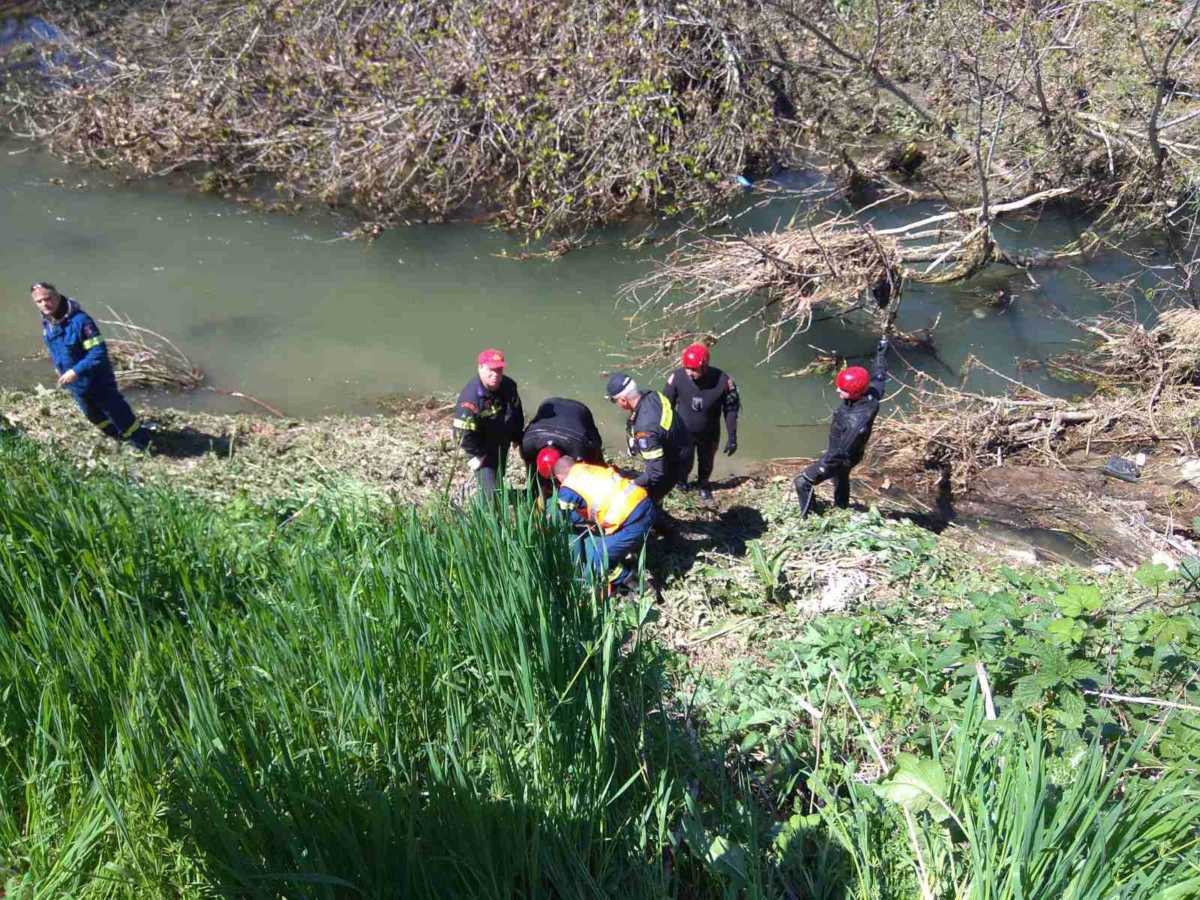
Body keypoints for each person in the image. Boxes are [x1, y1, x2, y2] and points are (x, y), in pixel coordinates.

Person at [31, 282, 150, 451]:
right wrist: (60, 368)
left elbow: (98, 353)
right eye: (39, 301)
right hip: (76, 384)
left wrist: (75, 370)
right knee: (92, 415)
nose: (44, 304)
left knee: (118, 413)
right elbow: (55, 348)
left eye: (48, 298)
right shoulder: (48, 322)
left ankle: (142, 444)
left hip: (97, 379)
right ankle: (117, 436)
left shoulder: (82, 322)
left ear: (57, 296)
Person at [537, 448, 655, 594]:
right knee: (608, 549)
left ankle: (634, 583)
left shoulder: (568, 487)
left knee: (600, 557)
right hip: (643, 500)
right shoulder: (588, 468)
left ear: (560, 476)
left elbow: (560, 518)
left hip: (632, 520)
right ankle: (627, 563)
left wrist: (542, 525)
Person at [795, 337, 889, 517]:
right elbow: (879, 375)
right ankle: (841, 507)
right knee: (841, 478)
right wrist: (881, 351)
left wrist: (821, 467)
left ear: (854, 392)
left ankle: (807, 517)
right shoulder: (871, 397)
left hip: (842, 457)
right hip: (854, 455)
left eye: (842, 389)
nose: (838, 390)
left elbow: (839, 452)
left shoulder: (855, 421)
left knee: (802, 482)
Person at [663, 342, 740, 500]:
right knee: (684, 460)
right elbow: (665, 405)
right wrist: (663, 430)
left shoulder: (723, 381)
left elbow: (731, 410)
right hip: (683, 430)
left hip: (709, 432)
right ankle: (682, 483)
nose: (690, 373)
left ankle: (703, 485)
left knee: (706, 462)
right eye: (687, 368)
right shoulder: (677, 378)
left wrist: (732, 437)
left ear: (704, 366)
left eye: (694, 369)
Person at [604, 372, 691, 503]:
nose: (615, 403)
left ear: (623, 400)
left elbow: (656, 473)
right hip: (683, 444)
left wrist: (630, 487)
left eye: (614, 400)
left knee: (647, 498)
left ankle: (652, 515)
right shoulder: (653, 395)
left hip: (675, 463)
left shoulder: (645, 430)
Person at [452, 348, 524, 498]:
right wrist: (476, 455)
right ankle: (489, 514)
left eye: (499, 370)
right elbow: (461, 434)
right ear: (480, 368)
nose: (495, 375)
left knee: (499, 476)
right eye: (491, 370)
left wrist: (517, 435)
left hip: (501, 441)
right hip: (483, 450)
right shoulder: (470, 400)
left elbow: (516, 411)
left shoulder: (509, 386)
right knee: (489, 495)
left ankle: (500, 495)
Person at [520, 397, 604, 467]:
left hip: (579, 410)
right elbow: (529, 464)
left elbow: (595, 446)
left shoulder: (578, 448)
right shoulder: (527, 445)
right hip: (550, 403)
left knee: (595, 454)